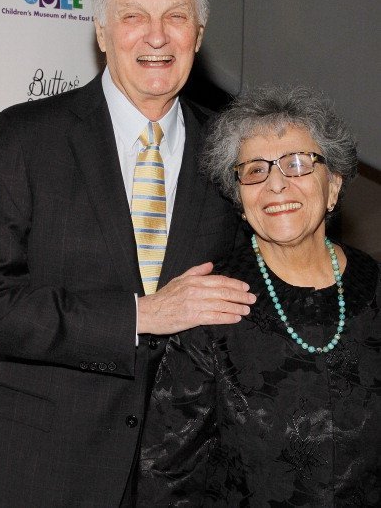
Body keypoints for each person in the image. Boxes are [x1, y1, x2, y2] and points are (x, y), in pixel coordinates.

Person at [0, 0, 255, 507]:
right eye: (134, 16)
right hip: (44, 469)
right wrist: (142, 315)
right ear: (102, 33)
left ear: (198, 35)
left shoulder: (234, 158)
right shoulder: (26, 137)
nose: (156, 36)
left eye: (176, 16)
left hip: (187, 477)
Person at [138, 86, 381, 507]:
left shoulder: (375, 285)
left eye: (298, 163)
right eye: (254, 170)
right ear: (240, 197)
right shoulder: (210, 305)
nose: (276, 184)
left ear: (334, 185)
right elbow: (168, 476)